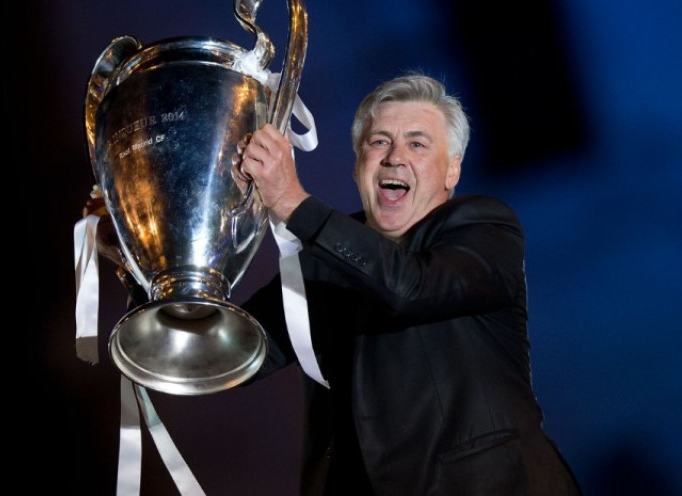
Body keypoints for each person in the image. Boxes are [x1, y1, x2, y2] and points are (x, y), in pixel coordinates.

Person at [231, 72, 583, 495]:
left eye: (417, 144)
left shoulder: (484, 227)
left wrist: (291, 200)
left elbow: (408, 286)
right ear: (357, 166)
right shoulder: (320, 263)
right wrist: (195, 238)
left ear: (452, 170)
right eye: (379, 142)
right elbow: (230, 354)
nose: (395, 157)